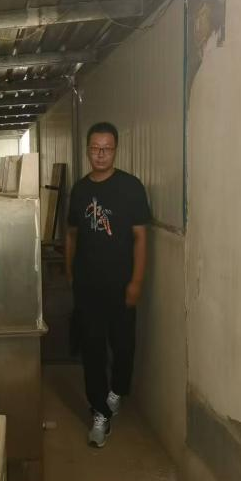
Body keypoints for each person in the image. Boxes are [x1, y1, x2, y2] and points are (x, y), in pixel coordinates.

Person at [65, 122, 150, 448]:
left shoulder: (131, 187)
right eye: (95, 148)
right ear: (88, 149)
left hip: (121, 286)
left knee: (124, 346)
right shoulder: (79, 190)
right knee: (93, 350)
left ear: (115, 150)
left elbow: (140, 238)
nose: (100, 154)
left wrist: (136, 282)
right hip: (88, 288)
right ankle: (99, 412)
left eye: (107, 148)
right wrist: (70, 273)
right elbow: (72, 234)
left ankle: (117, 390)